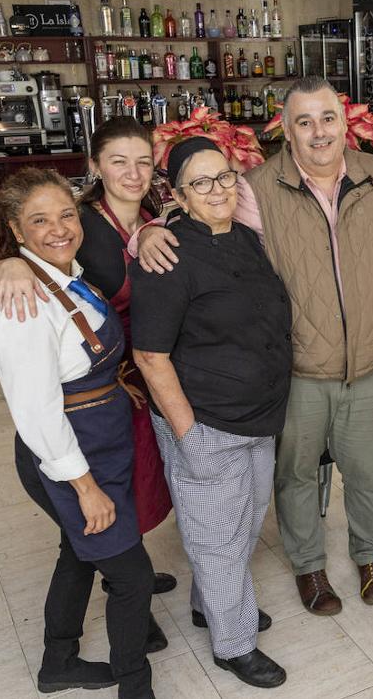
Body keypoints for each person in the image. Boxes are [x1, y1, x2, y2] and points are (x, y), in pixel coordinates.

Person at [133, 76, 373, 615]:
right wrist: (150, 229)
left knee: (367, 473)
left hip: (371, 366)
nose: (318, 132)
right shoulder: (253, 188)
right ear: (285, 128)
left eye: (327, 118)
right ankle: (309, 567)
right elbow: (198, 204)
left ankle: (370, 556)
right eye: (303, 121)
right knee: (296, 477)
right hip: (300, 369)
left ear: (345, 121)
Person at [0, 168, 154, 699]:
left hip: (99, 440)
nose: (59, 229)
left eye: (66, 215)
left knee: (76, 554)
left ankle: (58, 662)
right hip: (70, 455)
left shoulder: (62, 274)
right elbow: (36, 412)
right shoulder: (24, 306)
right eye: (40, 220)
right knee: (131, 578)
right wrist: (85, 488)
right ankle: (136, 687)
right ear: (16, 228)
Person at [0, 118, 177, 611]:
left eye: (143, 162)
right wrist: (11, 265)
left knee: (142, 482)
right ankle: (126, 583)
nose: (133, 174)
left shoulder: (160, 210)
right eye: (118, 162)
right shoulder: (77, 221)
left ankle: (131, 572)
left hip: (153, 370)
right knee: (112, 487)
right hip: (106, 381)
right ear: (94, 166)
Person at [130, 138, 291, 689]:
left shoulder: (245, 237)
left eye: (224, 177)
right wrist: (187, 433)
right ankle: (234, 643)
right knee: (217, 537)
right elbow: (150, 355)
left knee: (242, 524)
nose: (218, 190)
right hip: (205, 421)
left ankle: (212, 604)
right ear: (177, 194)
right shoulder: (168, 255)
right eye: (201, 182)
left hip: (258, 416)